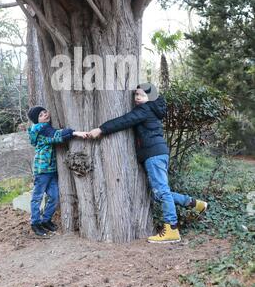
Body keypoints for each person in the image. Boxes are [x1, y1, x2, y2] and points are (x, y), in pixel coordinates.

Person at [88, 83, 207, 243]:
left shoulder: (145, 109)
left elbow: (125, 120)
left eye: (142, 95)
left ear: (150, 97)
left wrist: (101, 129)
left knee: (162, 192)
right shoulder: (152, 110)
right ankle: (194, 203)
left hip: (154, 154)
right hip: (158, 153)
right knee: (159, 194)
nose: (137, 97)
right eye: (136, 94)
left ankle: (172, 229)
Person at [28, 106, 88, 236]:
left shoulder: (46, 128)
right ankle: (35, 223)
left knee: (54, 196)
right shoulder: (41, 129)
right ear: (36, 121)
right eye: (40, 115)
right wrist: (75, 133)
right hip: (42, 170)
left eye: (45, 112)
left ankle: (46, 220)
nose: (45, 115)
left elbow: (55, 131)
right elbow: (57, 135)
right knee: (37, 197)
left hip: (51, 170)